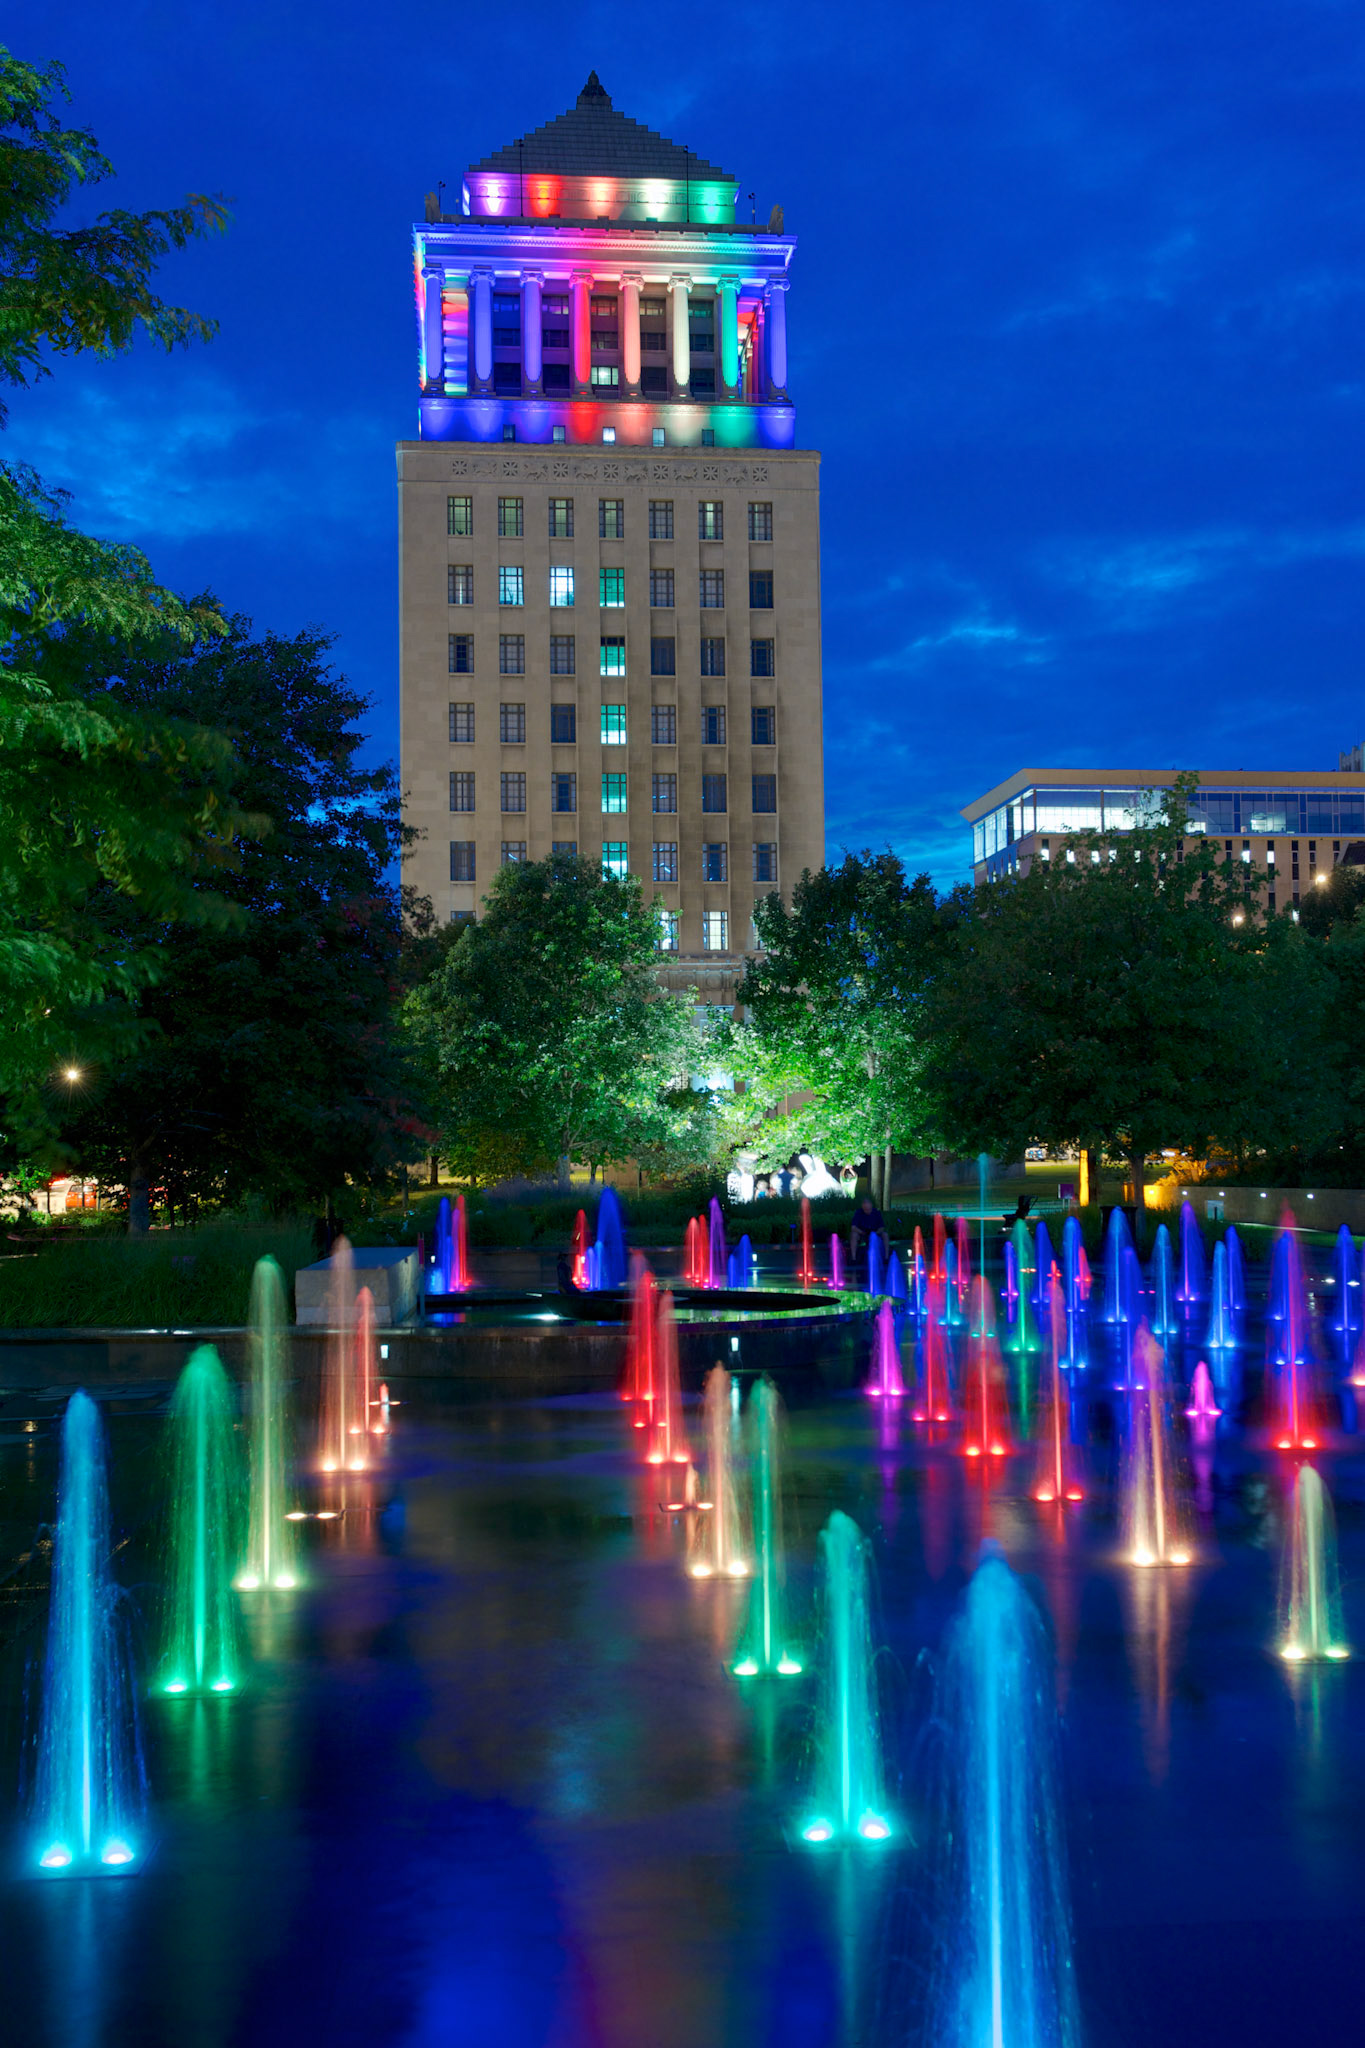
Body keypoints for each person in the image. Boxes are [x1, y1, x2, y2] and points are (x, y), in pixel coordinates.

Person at [850, 1196, 888, 1267]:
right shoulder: (858, 1213)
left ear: (871, 1205)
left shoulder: (876, 1213)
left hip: (875, 1233)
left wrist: (876, 1233)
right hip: (862, 1233)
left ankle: (886, 1257)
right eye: (864, 1204)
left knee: (885, 1235)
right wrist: (861, 1232)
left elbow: (882, 1227)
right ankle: (853, 1258)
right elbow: (853, 1227)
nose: (865, 1206)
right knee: (854, 1235)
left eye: (867, 1203)